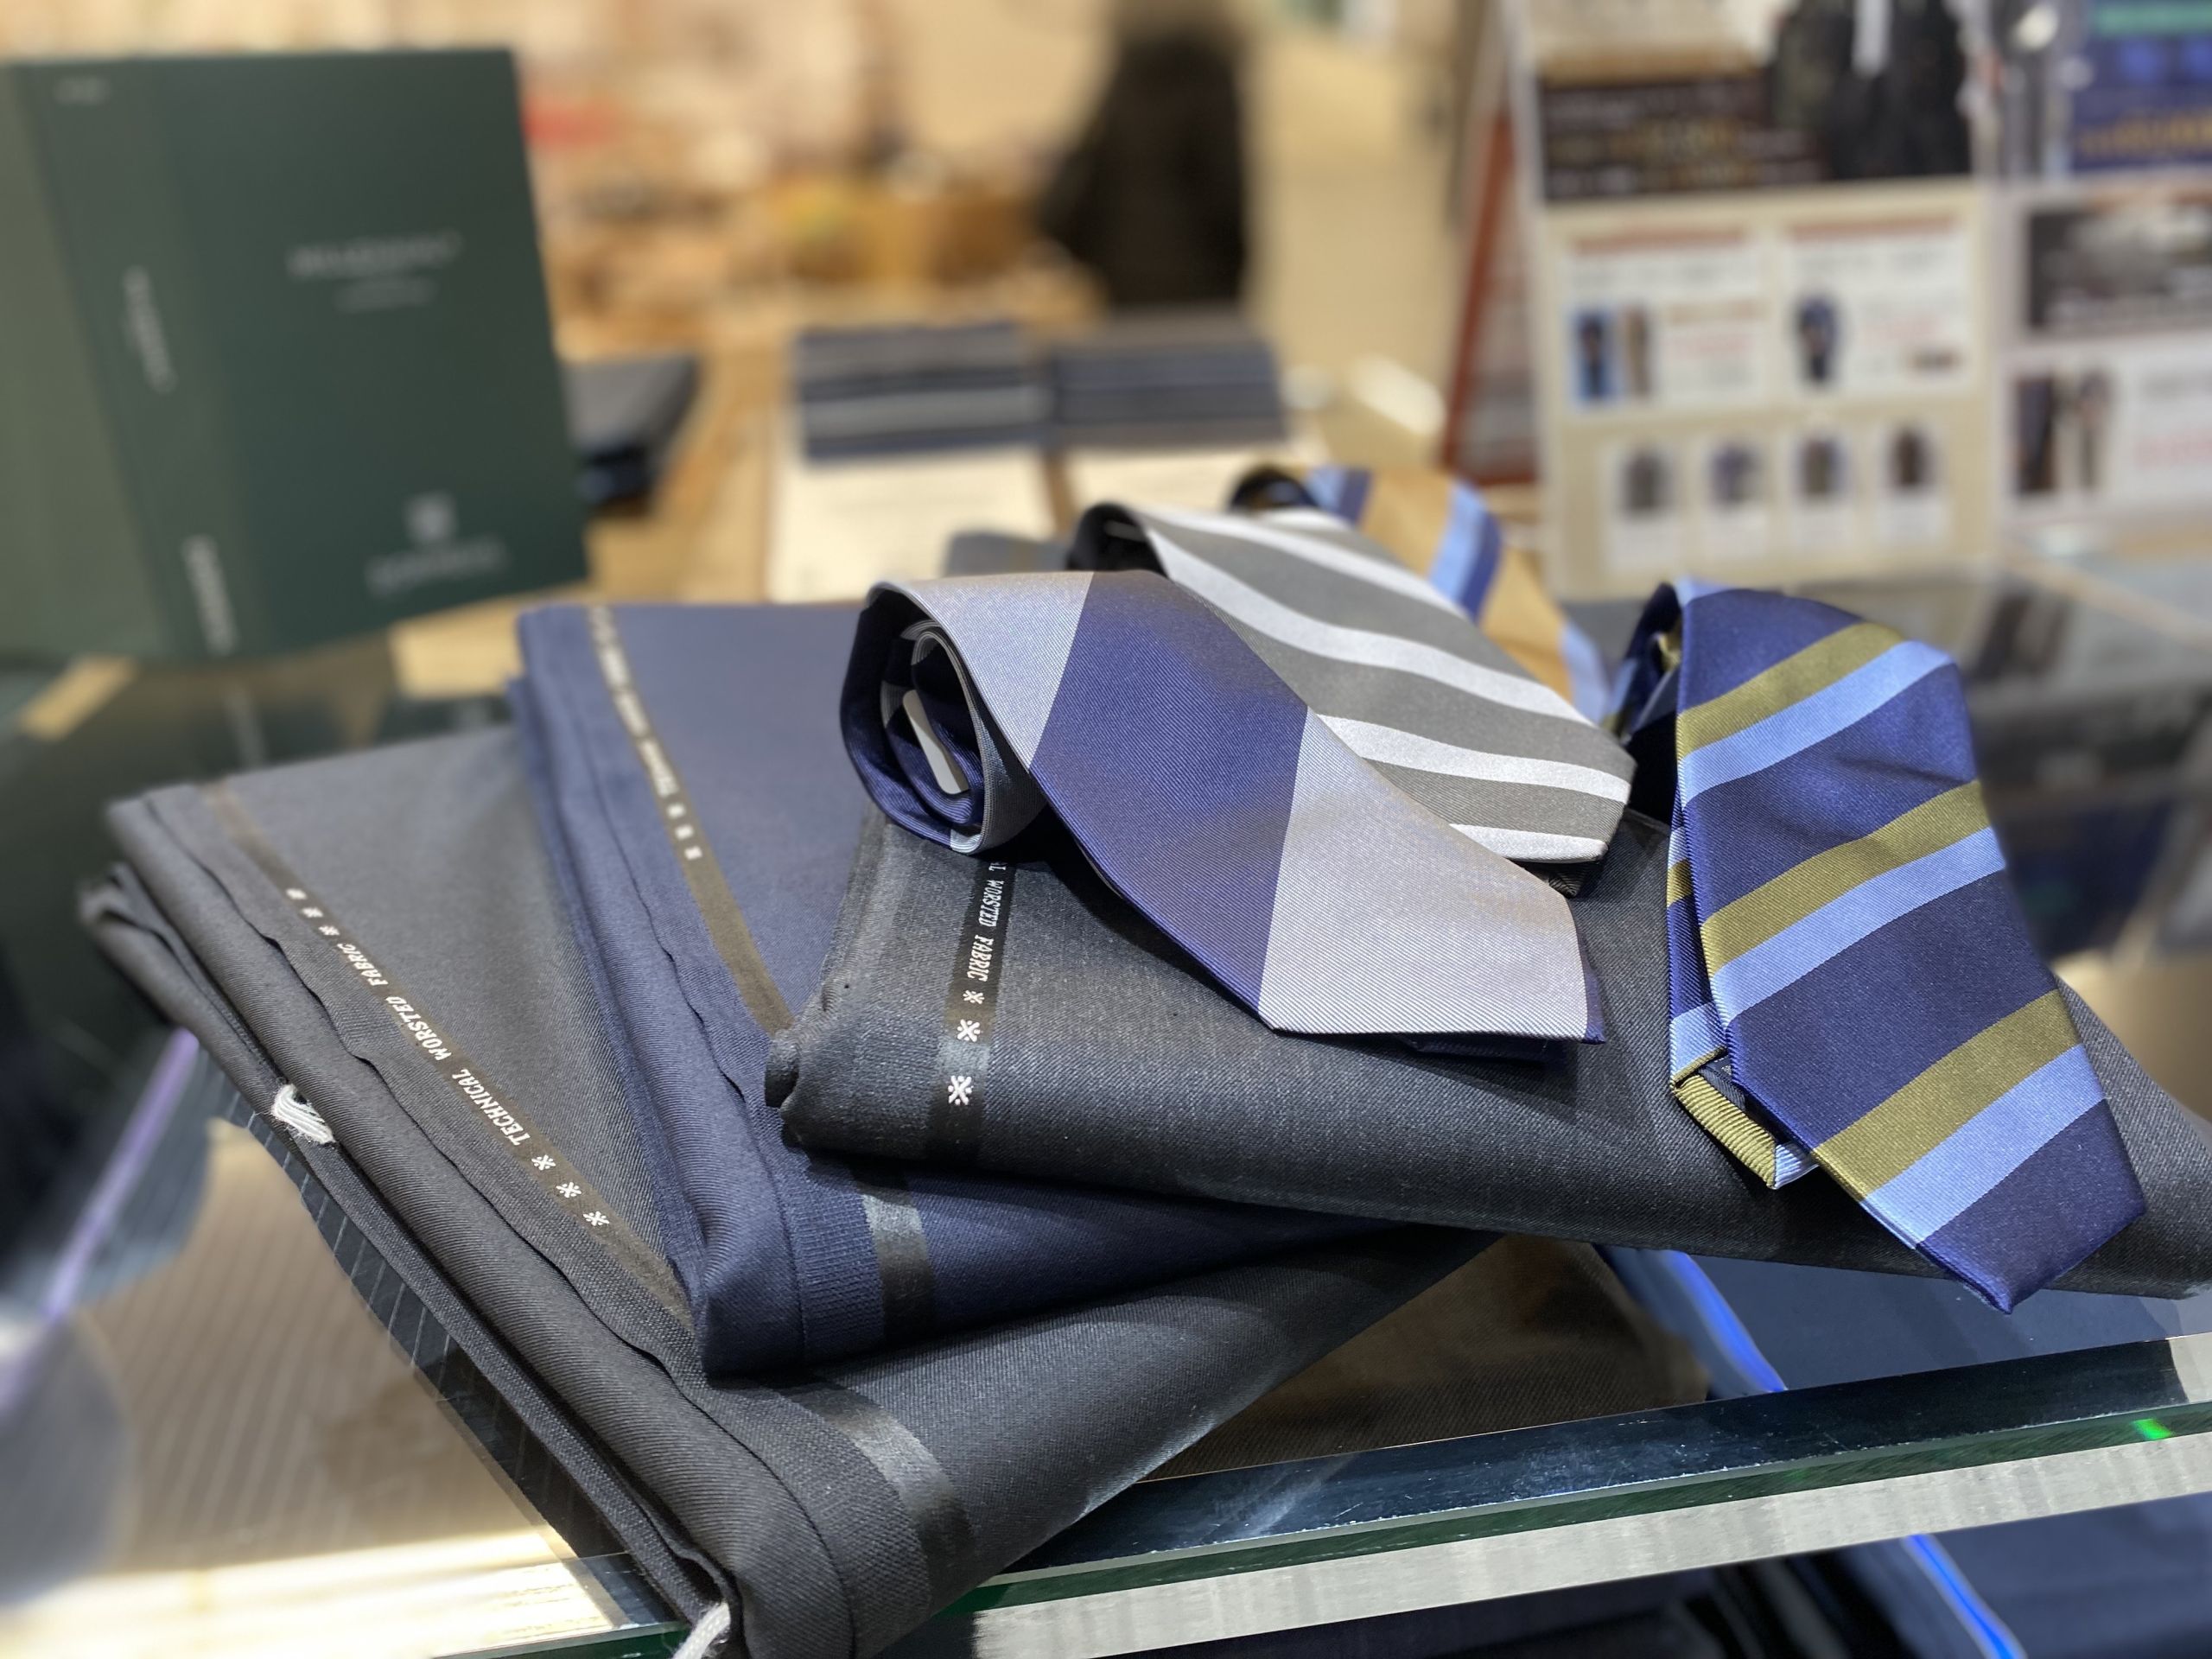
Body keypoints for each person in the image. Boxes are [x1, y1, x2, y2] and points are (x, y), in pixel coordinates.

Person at [1038, 0, 1249, 308]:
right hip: (1203, 283)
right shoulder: (1213, 75)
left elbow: (1087, 172)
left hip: (1124, 276)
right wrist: (1239, 268)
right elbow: (1227, 186)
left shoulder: (1127, 73)